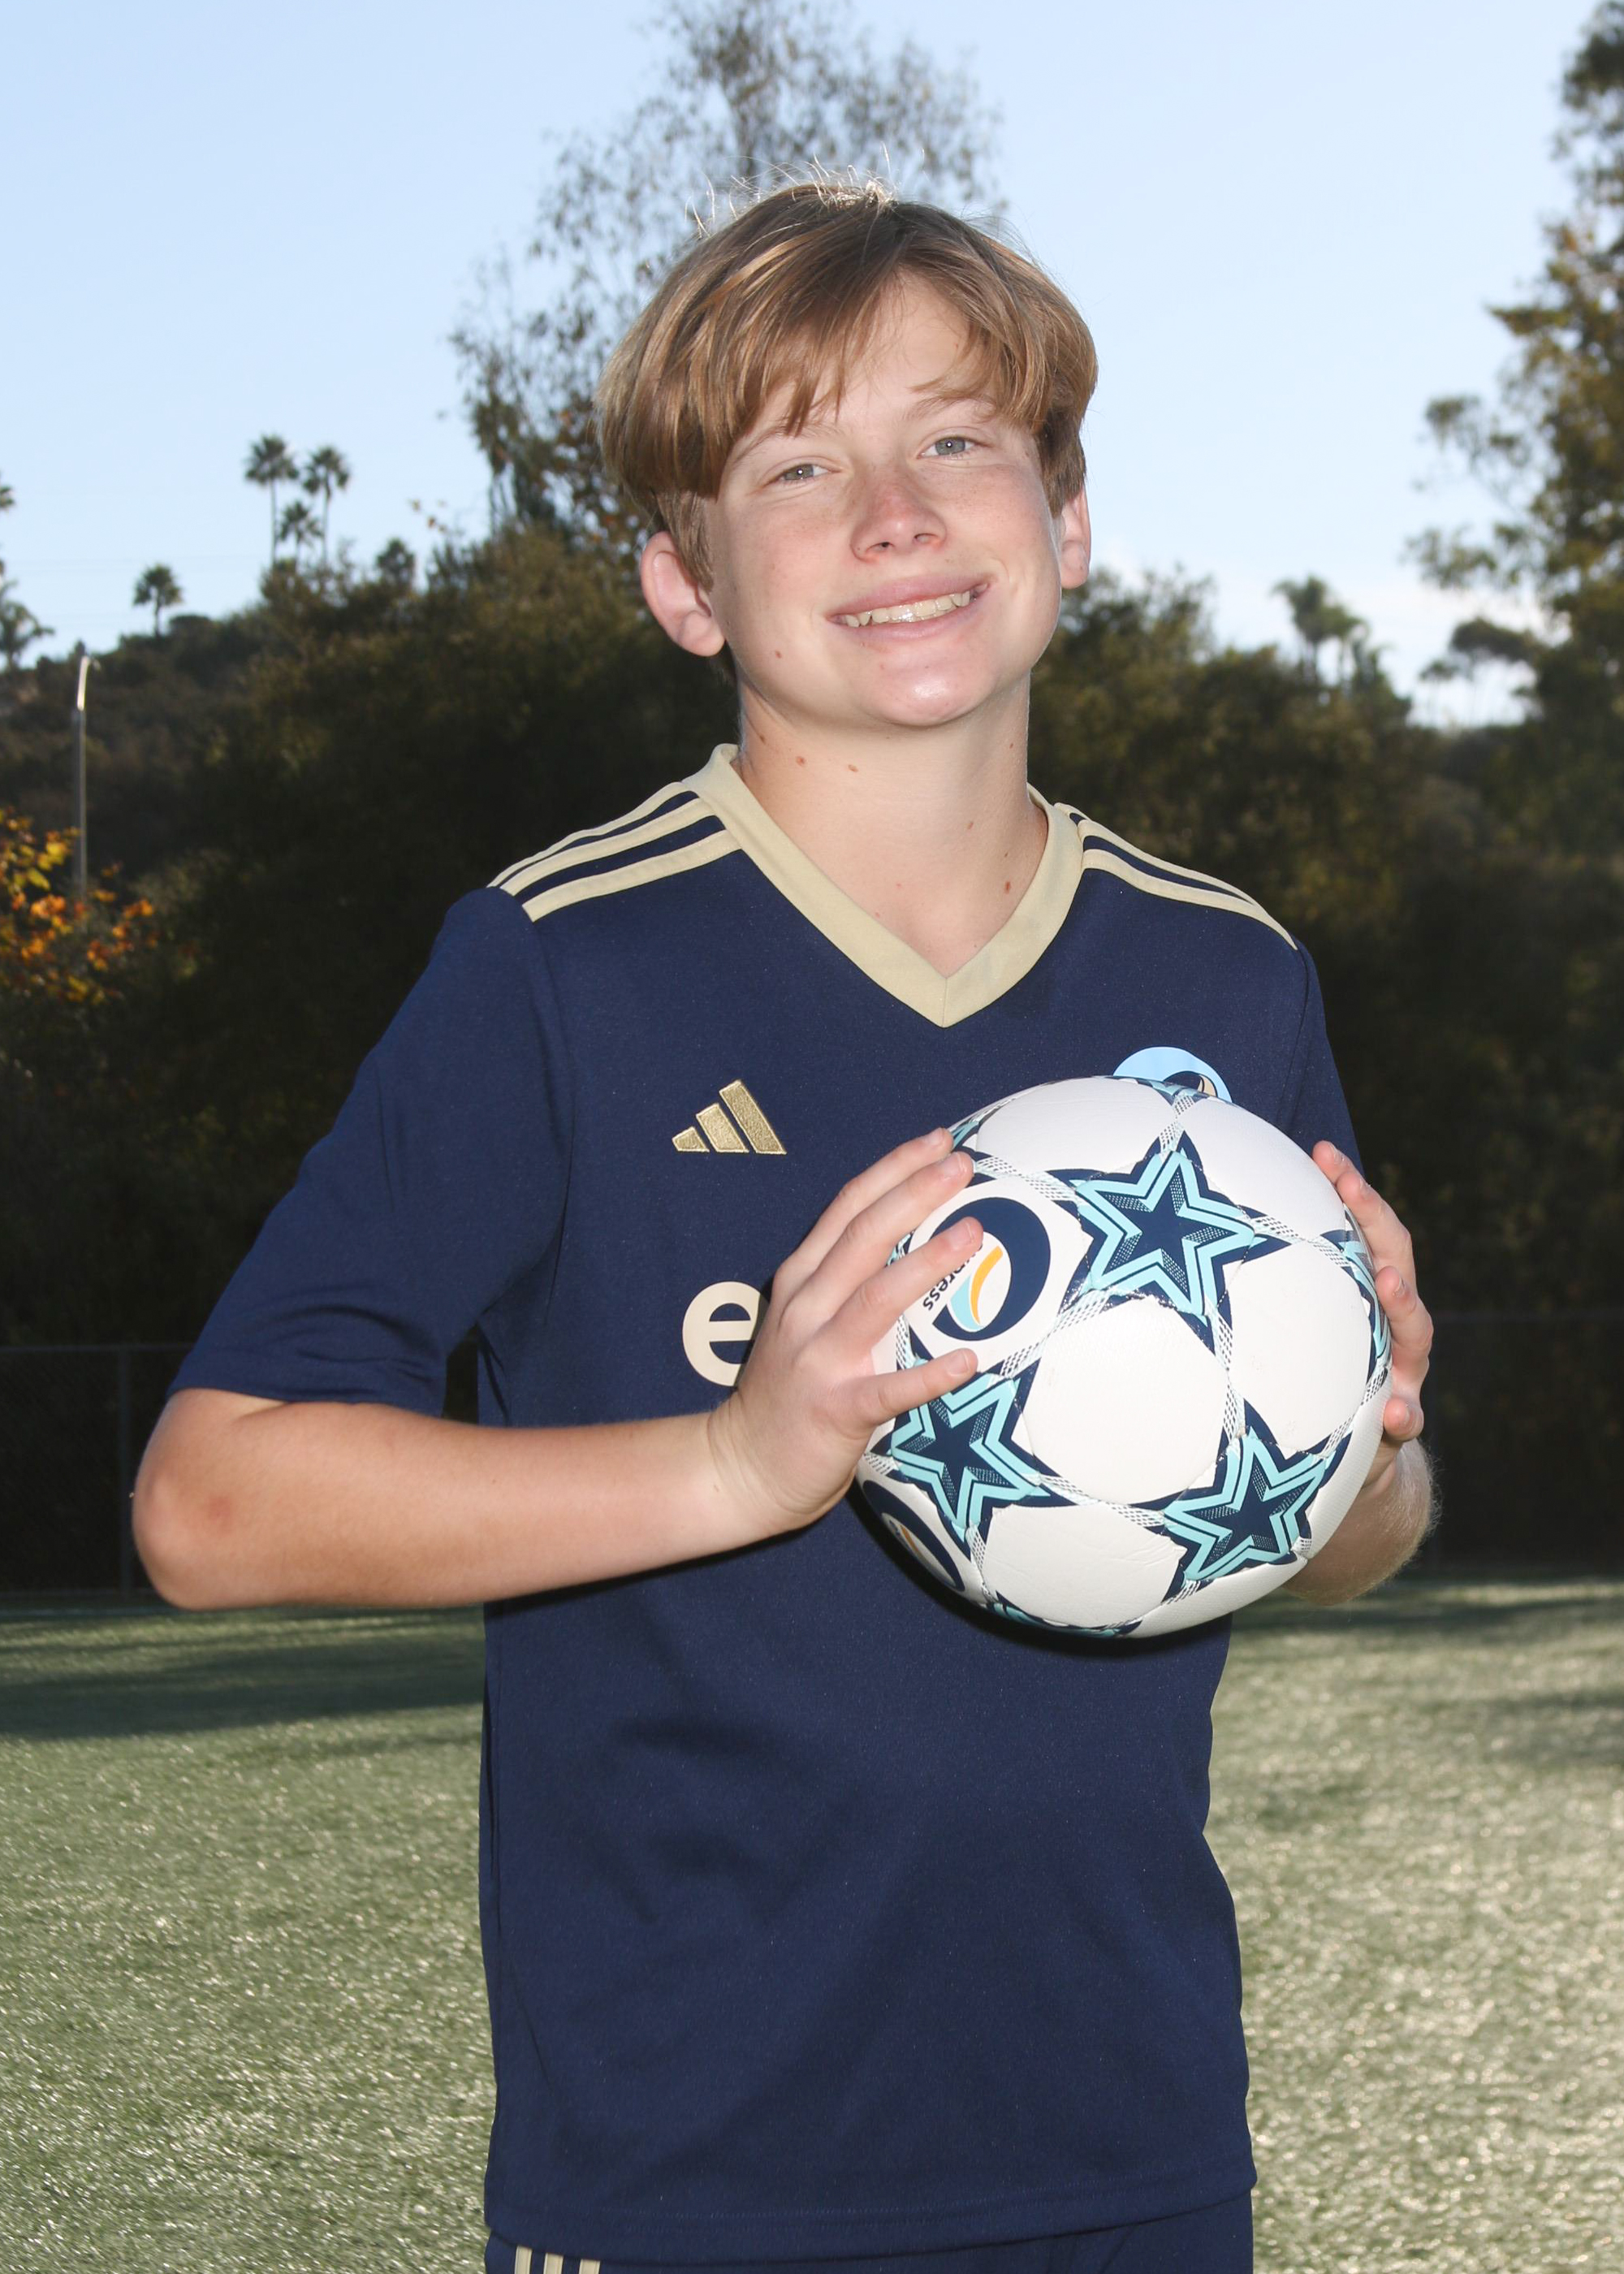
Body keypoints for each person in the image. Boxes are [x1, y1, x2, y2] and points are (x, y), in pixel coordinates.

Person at [134, 180, 1435, 2274]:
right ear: (687, 582)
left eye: (957, 440)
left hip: (1137, 2153)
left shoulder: (1226, 977)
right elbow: (214, 1505)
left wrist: (1365, 1442)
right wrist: (740, 1463)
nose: (896, 515)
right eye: (800, 468)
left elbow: (1352, 1542)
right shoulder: (563, 966)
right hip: (691, 2183)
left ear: (1067, 520)